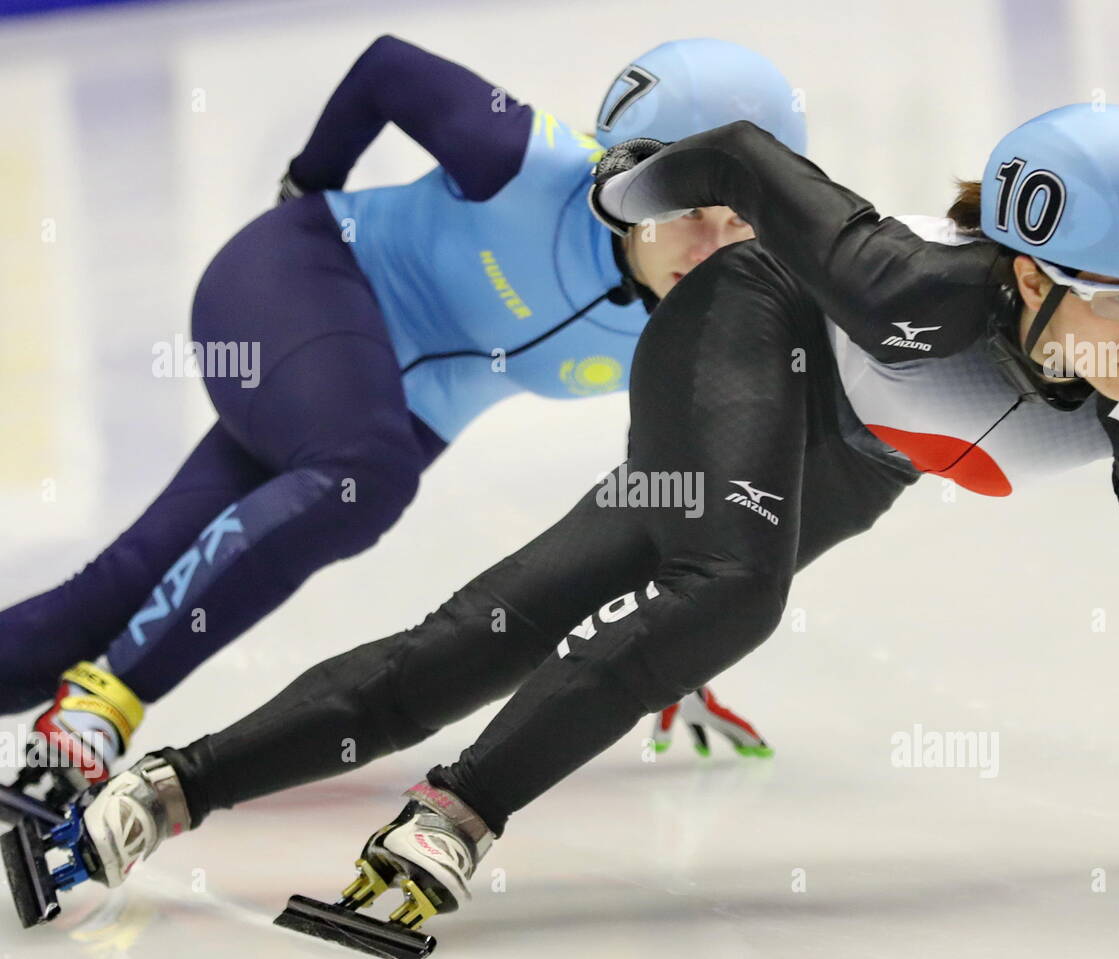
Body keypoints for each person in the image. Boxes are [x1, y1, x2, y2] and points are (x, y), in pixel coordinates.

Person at [54, 103, 1119, 930]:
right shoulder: (907, 287)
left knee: (509, 622)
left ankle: (165, 788)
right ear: (1029, 275)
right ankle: (459, 810)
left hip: (852, 457)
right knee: (732, 587)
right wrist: (618, 199)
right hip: (747, 331)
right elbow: (730, 154)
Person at [0, 36, 805, 806]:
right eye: (693, 209)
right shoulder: (526, 162)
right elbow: (388, 67)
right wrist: (308, 183)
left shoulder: (707, 317)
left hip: (361, 407)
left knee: (96, 607)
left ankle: (68, 692)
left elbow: (671, 485)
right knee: (366, 476)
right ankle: (97, 714)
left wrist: (674, 658)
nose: (714, 246)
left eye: (743, 221)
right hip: (299, 282)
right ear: (628, 176)